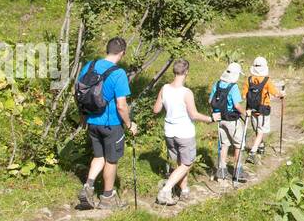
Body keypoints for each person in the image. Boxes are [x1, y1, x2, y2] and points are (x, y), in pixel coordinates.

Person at [74, 36, 139, 210]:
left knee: (98, 156)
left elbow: (80, 92)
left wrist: (83, 117)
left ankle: (88, 186)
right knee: (111, 160)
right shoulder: (118, 74)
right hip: (111, 125)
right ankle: (108, 197)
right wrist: (129, 124)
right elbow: (121, 105)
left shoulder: (90, 65)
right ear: (122, 53)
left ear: (107, 49)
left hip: (92, 121)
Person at [151, 59, 212, 205]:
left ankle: (184, 191)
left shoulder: (164, 88)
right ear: (186, 72)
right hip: (184, 132)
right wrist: (210, 119)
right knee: (187, 163)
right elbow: (194, 115)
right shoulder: (186, 93)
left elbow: (156, 110)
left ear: (174, 71)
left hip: (169, 132)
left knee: (180, 163)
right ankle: (166, 190)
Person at [209, 62, 247, 184]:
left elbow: (210, 100)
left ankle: (222, 170)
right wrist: (246, 114)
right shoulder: (233, 87)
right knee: (238, 144)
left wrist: (214, 114)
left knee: (224, 144)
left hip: (220, 119)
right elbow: (236, 105)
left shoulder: (217, 84)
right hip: (232, 120)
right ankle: (238, 171)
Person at [244, 56, 285, 159]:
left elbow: (244, 95)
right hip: (263, 109)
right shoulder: (267, 81)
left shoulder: (249, 80)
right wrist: (282, 94)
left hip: (251, 109)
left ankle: (261, 146)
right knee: (261, 130)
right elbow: (276, 94)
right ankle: (253, 151)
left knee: (257, 130)